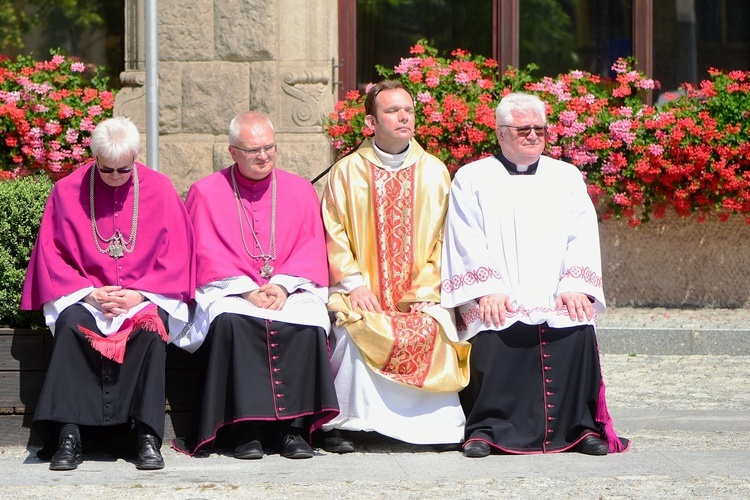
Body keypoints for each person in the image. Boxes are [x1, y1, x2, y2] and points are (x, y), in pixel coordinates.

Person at [440, 92, 630, 458]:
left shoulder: (566, 176)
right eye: (523, 129)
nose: (533, 136)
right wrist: (487, 290)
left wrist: (575, 285)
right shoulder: (472, 177)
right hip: (498, 292)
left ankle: (580, 427)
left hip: (552, 292)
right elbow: (465, 237)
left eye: (540, 129)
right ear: (499, 133)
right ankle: (487, 428)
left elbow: (582, 234)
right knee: (496, 327)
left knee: (575, 323)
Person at [21, 116, 195, 471]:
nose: (115, 176)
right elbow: (52, 255)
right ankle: (69, 435)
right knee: (71, 324)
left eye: (124, 169)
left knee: (150, 330)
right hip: (87, 295)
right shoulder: (68, 190)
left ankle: (146, 436)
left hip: (142, 297)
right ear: (94, 158)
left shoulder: (160, 189)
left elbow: (178, 254)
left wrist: (141, 295)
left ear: (136, 159)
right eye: (107, 169)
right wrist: (88, 295)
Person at [172, 111, 338, 460]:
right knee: (232, 321)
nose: (264, 156)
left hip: (286, 288)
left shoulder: (300, 190)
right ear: (233, 152)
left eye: (270, 148)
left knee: (307, 325)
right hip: (231, 291)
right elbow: (202, 253)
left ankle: (293, 430)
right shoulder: (205, 192)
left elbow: (311, 246)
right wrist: (246, 290)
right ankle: (245, 430)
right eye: (253, 150)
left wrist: (282, 286)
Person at [320, 80, 470, 452]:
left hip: (420, 291)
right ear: (371, 121)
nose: (404, 117)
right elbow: (332, 232)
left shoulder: (435, 172)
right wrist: (354, 284)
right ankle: (353, 424)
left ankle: (434, 430)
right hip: (362, 289)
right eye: (392, 111)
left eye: (409, 110)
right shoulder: (346, 172)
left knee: (430, 326)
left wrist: (425, 292)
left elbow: (444, 239)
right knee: (356, 327)